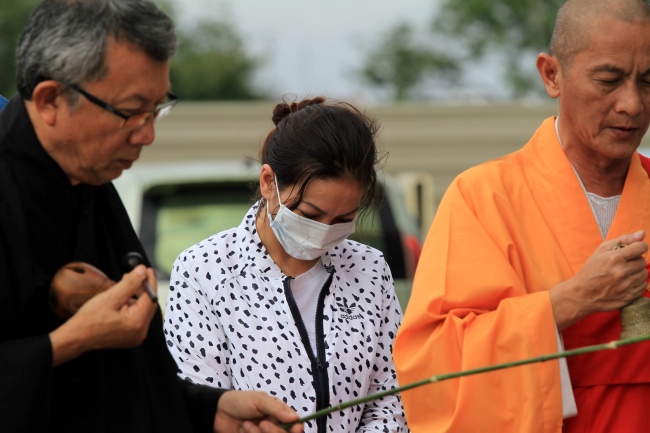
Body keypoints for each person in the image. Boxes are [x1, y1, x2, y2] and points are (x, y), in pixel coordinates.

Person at [0, 1, 303, 432]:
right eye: (131, 111)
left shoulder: (90, 180)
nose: (148, 134)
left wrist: (208, 409)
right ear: (50, 100)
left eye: (157, 108)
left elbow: (123, 384)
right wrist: (71, 340)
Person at [393, 0, 650, 432]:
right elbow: (433, 362)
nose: (632, 104)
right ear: (552, 75)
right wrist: (569, 301)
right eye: (608, 80)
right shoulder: (483, 197)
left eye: (648, 81)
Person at [163, 97, 408, 432]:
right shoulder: (204, 270)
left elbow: (391, 401)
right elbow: (201, 404)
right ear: (268, 182)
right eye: (309, 215)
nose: (323, 231)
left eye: (343, 219)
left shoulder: (369, 270)